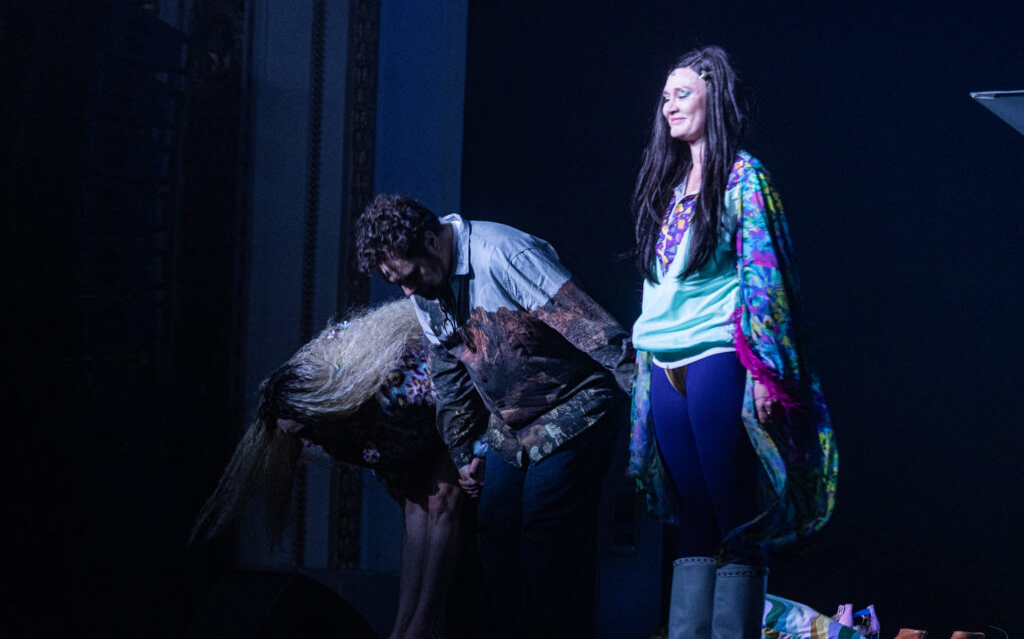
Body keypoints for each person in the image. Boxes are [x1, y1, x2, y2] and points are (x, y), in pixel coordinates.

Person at [626, 45, 838, 638]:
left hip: (717, 353)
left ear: (713, 100)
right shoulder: (667, 182)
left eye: (682, 94)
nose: (669, 106)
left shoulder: (744, 176)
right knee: (690, 507)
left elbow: (764, 275)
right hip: (663, 358)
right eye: (665, 97)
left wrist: (767, 372)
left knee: (729, 501)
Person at [355, 194, 635, 639]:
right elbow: (449, 374)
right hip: (512, 424)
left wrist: (646, 405)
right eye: (398, 283)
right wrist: (464, 450)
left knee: (546, 537)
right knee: (496, 536)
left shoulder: (504, 253)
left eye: (409, 277)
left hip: (575, 406)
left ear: (432, 241)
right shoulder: (427, 290)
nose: (407, 292)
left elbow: (593, 328)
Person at [189, 299, 468, 639]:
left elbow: (458, 393)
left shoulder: (394, 387)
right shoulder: (338, 438)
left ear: (321, 410)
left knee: (441, 501)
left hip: (454, 403)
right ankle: (402, 630)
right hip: (401, 434)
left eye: (306, 431)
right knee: (415, 510)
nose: (307, 444)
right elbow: (403, 491)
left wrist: (472, 454)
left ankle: (421, 626)